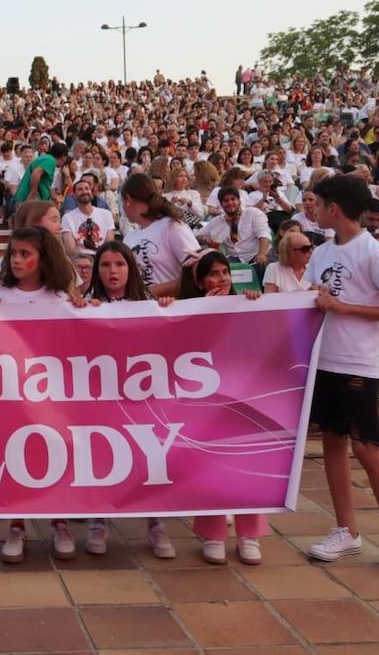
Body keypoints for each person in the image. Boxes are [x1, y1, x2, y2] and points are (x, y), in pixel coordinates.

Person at [304, 175, 379, 582]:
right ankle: (346, 530)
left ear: (333, 208)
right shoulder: (321, 251)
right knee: (333, 441)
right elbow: (315, 298)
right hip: (325, 359)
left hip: (358, 363)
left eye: (318, 203)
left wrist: (346, 308)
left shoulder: (374, 252)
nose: (313, 210)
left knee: (368, 448)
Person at [0, 226, 91, 562]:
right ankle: (16, 525)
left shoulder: (59, 299)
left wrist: (85, 309)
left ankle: (59, 521)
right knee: (16, 454)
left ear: (43, 259)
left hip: (51, 393)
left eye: (25, 254)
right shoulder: (1, 294)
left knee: (55, 452)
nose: (16, 260)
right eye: (13, 253)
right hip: (13, 392)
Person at [83, 240, 176, 560]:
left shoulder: (148, 302)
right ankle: (98, 521)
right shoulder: (87, 303)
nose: (113, 271)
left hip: (141, 394)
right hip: (101, 394)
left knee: (148, 455)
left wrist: (166, 310)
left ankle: (155, 523)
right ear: (97, 270)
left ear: (130, 268)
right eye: (106, 265)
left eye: (119, 264)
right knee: (102, 455)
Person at [174, 251, 266, 564]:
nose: (222, 279)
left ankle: (249, 534)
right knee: (211, 465)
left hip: (245, 396)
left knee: (249, 462)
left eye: (225, 272)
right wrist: (204, 312)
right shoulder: (189, 312)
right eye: (214, 274)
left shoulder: (248, 306)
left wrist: (255, 305)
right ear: (200, 282)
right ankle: (213, 534)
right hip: (207, 400)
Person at [120, 173, 199, 298]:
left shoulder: (171, 226)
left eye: (122, 202)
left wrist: (150, 292)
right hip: (141, 307)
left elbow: (197, 272)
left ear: (128, 200)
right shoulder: (129, 237)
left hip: (174, 306)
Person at [198, 186, 271, 266]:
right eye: (226, 200)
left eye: (233, 199)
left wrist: (261, 254)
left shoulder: (253, 213)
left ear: (239, 201)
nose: (230, 203)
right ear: (221, 204)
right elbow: (198, 236)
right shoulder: (217, 221)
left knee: (262, 264)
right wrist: (205, 239)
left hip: (255, 255)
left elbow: (264, 235)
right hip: (234, 258)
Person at [61, 174, 115, 251]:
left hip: (101, 256)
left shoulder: (106, 214)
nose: (84, 191)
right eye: (80, 189)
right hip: (79, 257)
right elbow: (71, 249)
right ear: (74, 195)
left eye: (87, 188)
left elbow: (109, 244)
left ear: (92, 193)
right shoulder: (67, 218)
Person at [262, 227, 314, 293]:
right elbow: (270, 297)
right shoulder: (274, 269)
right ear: (289, 252)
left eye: (311, 247)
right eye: (305, 249)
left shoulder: (314, 268)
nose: (311, 251)